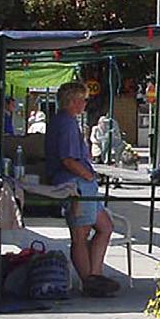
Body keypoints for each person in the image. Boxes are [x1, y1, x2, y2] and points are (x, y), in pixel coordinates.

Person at [45, 82, 118, 298]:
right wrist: (87, 175)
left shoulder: (63, 121)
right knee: (80, 234)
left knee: (104, 226)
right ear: (73, 101)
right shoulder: (66, 123)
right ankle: (90, 281)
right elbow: (67, 158)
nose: (86, 103)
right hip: (75, 182)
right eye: (83, 99)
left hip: (80, 181)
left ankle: (95, 276)